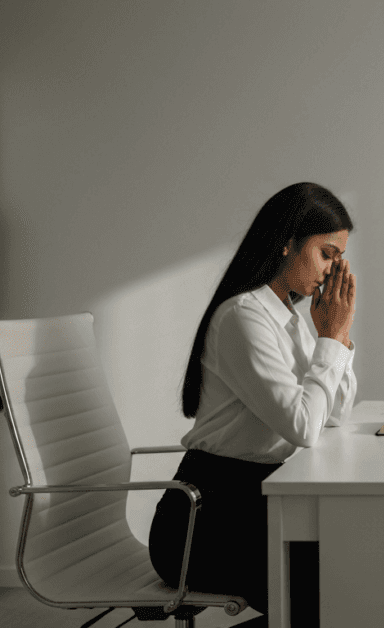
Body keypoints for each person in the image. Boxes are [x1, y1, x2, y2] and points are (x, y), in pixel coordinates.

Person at [148, 182, 357, 627]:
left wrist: (336, 337)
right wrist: (330, 340)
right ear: (287, 243)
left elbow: (334, 414)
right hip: (205, 520)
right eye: (327, 255)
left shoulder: (289, 319)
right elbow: (303, 427)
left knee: (347, 577)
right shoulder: (243, 316)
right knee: (330, 598)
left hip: (253, 503)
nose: (331, 272)